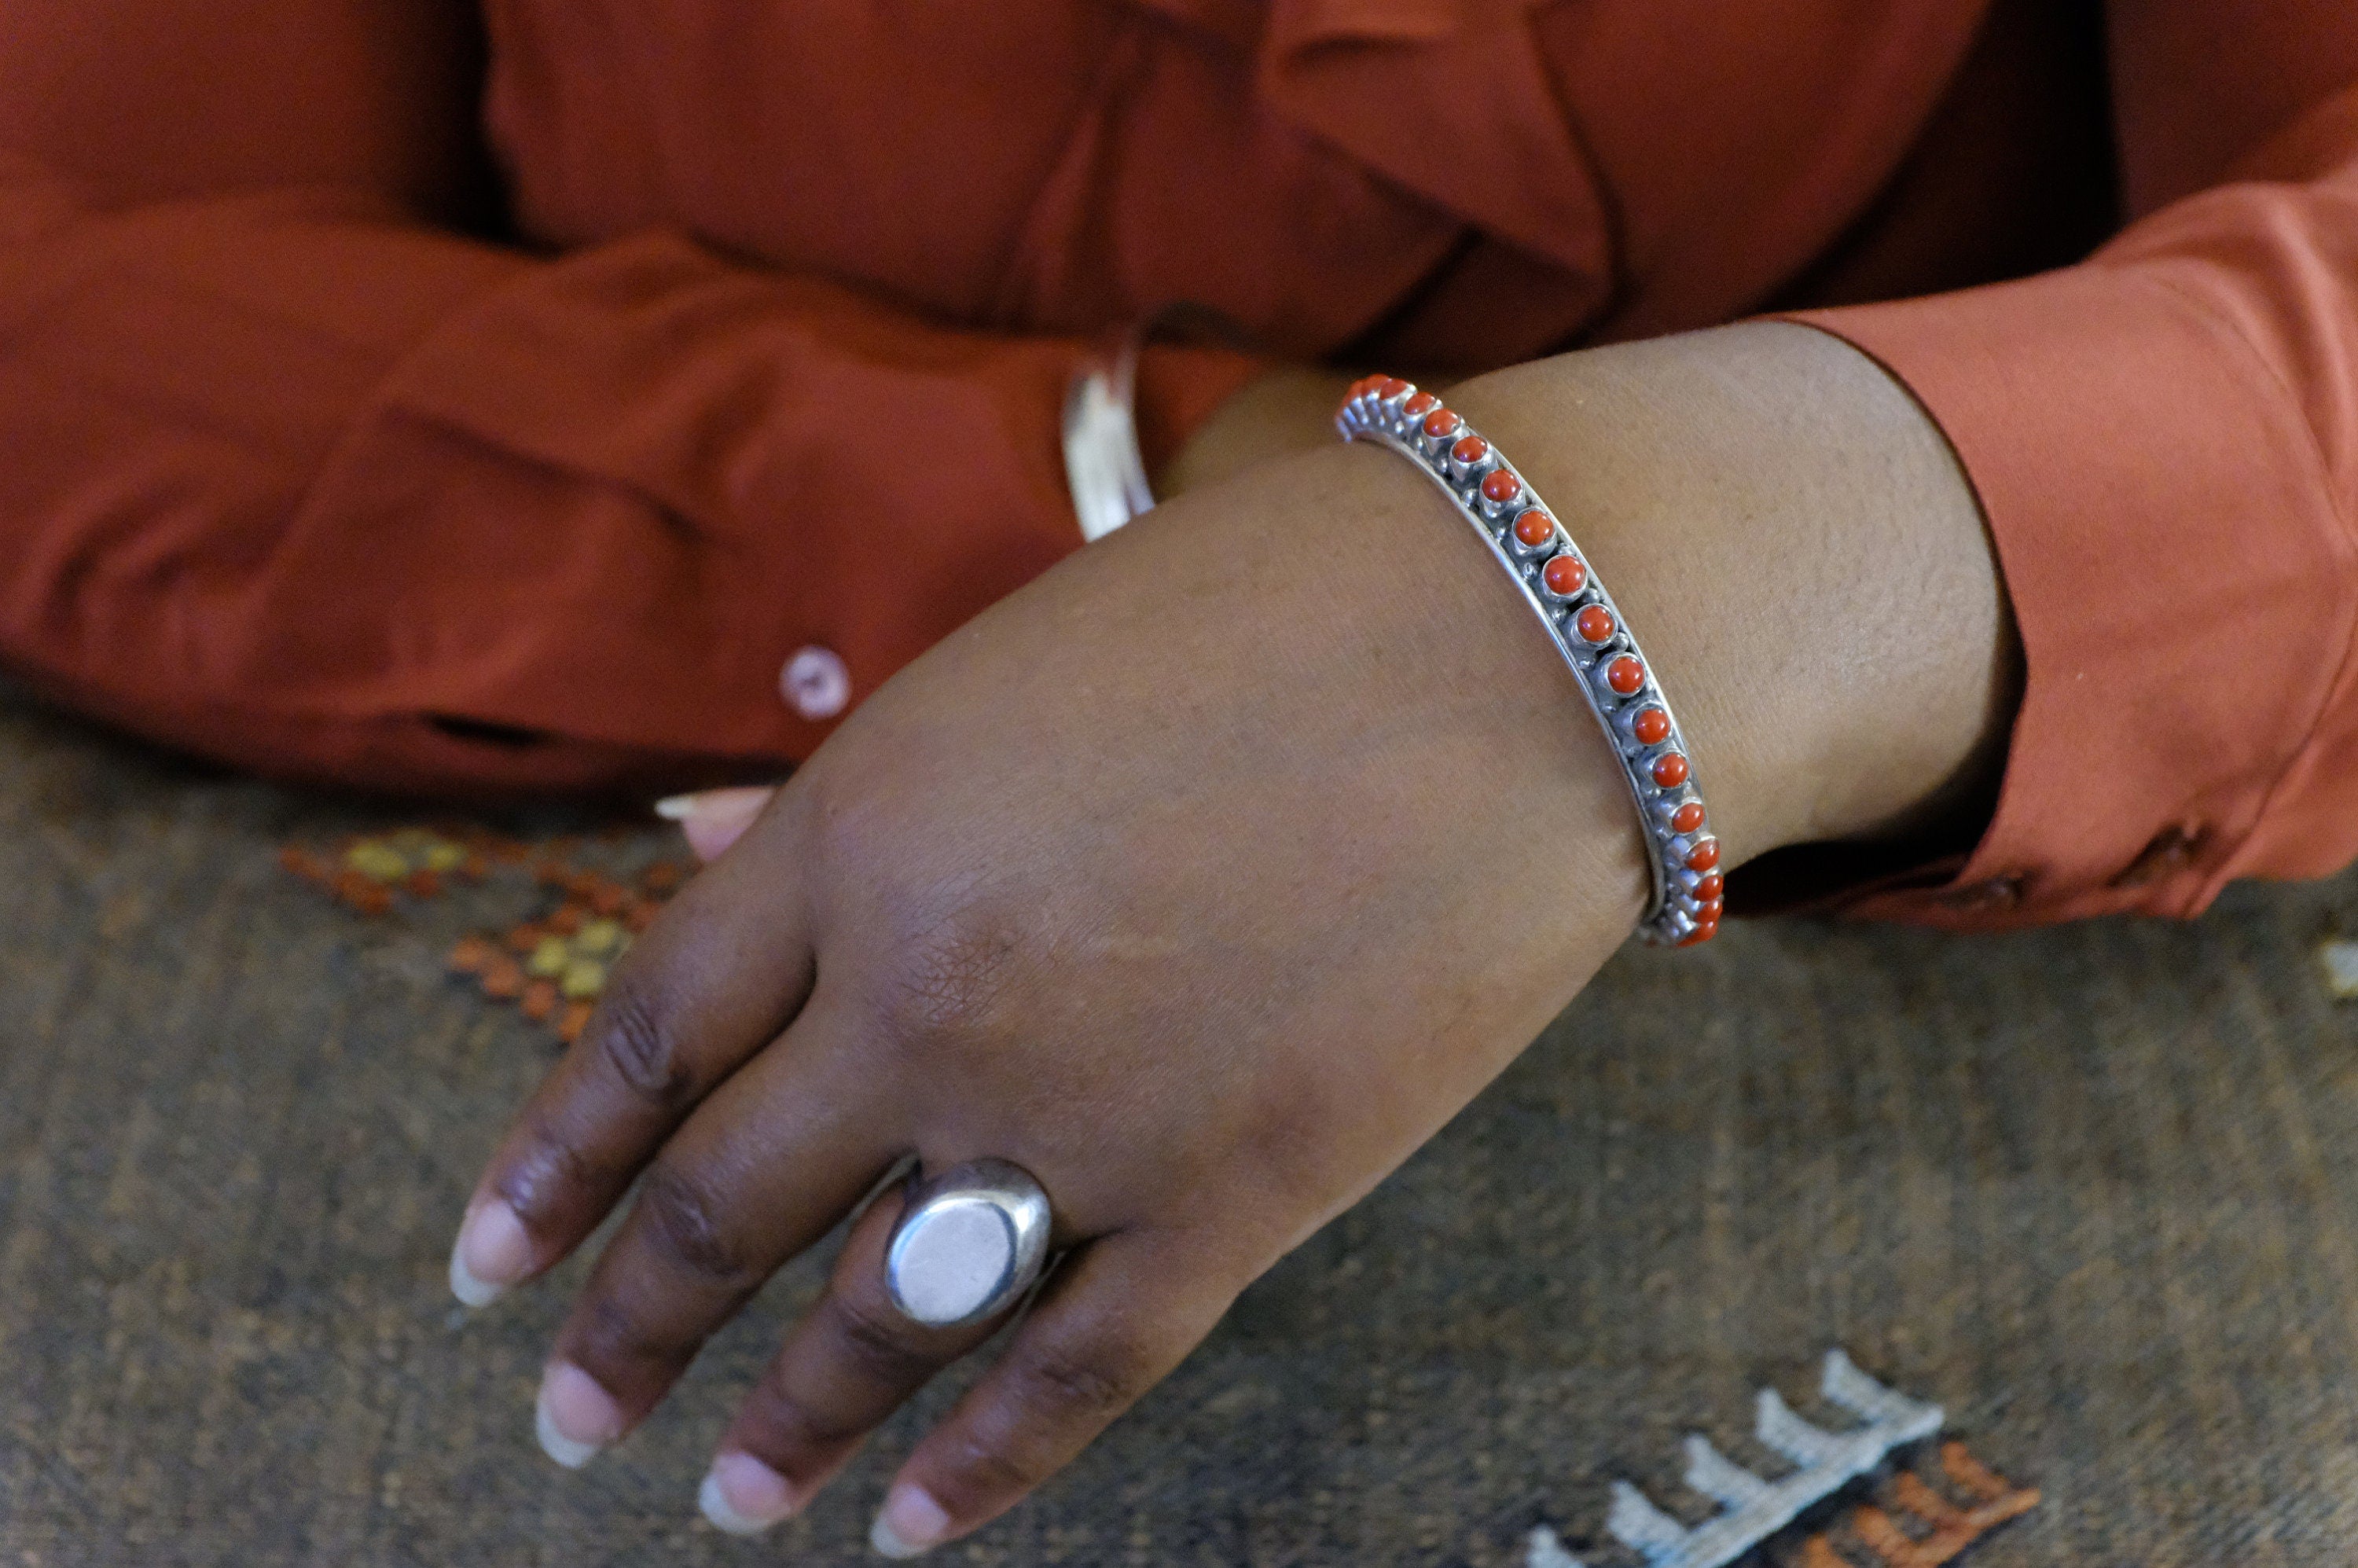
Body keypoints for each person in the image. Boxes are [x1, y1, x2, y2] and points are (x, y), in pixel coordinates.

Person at [4, 0, 2356, 1555]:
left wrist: (1586, 602)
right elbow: (76, 272)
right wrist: (1146, 494)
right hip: (501, 824)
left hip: (1953, 959)